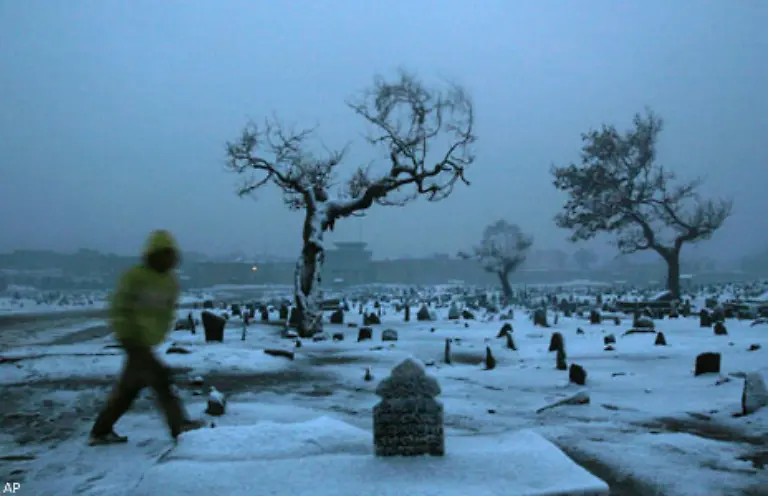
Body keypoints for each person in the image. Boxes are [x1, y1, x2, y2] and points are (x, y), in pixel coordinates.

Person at [88, 230, 205, 445]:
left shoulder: (170, 281)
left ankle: (101, 431)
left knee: (129, 390)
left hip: (147, 341)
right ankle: (179, 425)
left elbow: (166, 309)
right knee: (161, 379)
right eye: (165, 254)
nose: (169, 260)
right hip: (133, 338)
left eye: (172, 255)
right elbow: (120, 307)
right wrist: (127, 335)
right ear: (154, 254)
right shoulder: (135, 276)